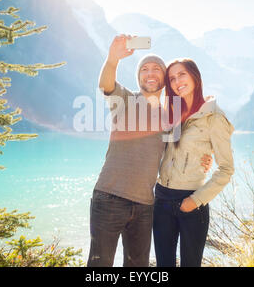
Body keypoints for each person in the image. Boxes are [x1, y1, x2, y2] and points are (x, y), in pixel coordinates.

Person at [87, 35, 212, 267]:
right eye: (145, 69)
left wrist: (205, 159)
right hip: (109, 198)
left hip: (145, 206)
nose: (150, 73)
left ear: (164, 78)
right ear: (139, 77)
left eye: (156, 69)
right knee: (99, 266)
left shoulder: (170, 116)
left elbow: (183, 149)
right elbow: (105, 84)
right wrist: (113, 59)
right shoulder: (124, 100)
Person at [153, 58, 235, 267]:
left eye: (182, 74)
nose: (177, 81)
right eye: (172, 78)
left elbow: (226, 169)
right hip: (161, 199)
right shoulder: (172, 113)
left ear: (194, 76)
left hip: (191, 201)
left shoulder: (214, 117)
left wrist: (195, 201)